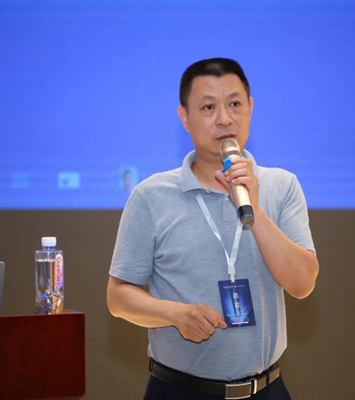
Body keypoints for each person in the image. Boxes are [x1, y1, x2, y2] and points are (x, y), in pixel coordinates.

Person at [107, 58, 319, 400]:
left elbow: (303, 283)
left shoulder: (282, 186)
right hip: (179, 390)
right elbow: (118, 297)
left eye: (234, 104)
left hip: (266, 389)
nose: (224, 118)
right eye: (208, 107)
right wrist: (175, 314)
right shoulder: (150, 196)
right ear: (184, 117)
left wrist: (254, 209)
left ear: (250, 108)